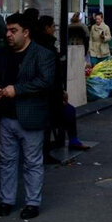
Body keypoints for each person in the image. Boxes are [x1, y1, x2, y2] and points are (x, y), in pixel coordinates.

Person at [0, 13, 55, 220]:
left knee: (32, 162)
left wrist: (17, 90)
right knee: (6, 161)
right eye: (7, 30)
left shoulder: (43, 54)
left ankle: (32, 203)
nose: (8, 34)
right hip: (6, 116)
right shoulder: (3, 54)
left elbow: (45, 82)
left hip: (30, 117)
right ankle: (7, 200)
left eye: (13, 31)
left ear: (26, 33)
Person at [38, 15, 89, 154]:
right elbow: (52, 74)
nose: (55, 29)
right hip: (48, 96)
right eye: (53, 26)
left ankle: (70, 140)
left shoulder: (43, 45)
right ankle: (66, 142)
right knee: (68, 111)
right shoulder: (47, 48)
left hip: (50, 94)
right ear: (47, 28)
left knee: (68, 111)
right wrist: (60, 92)